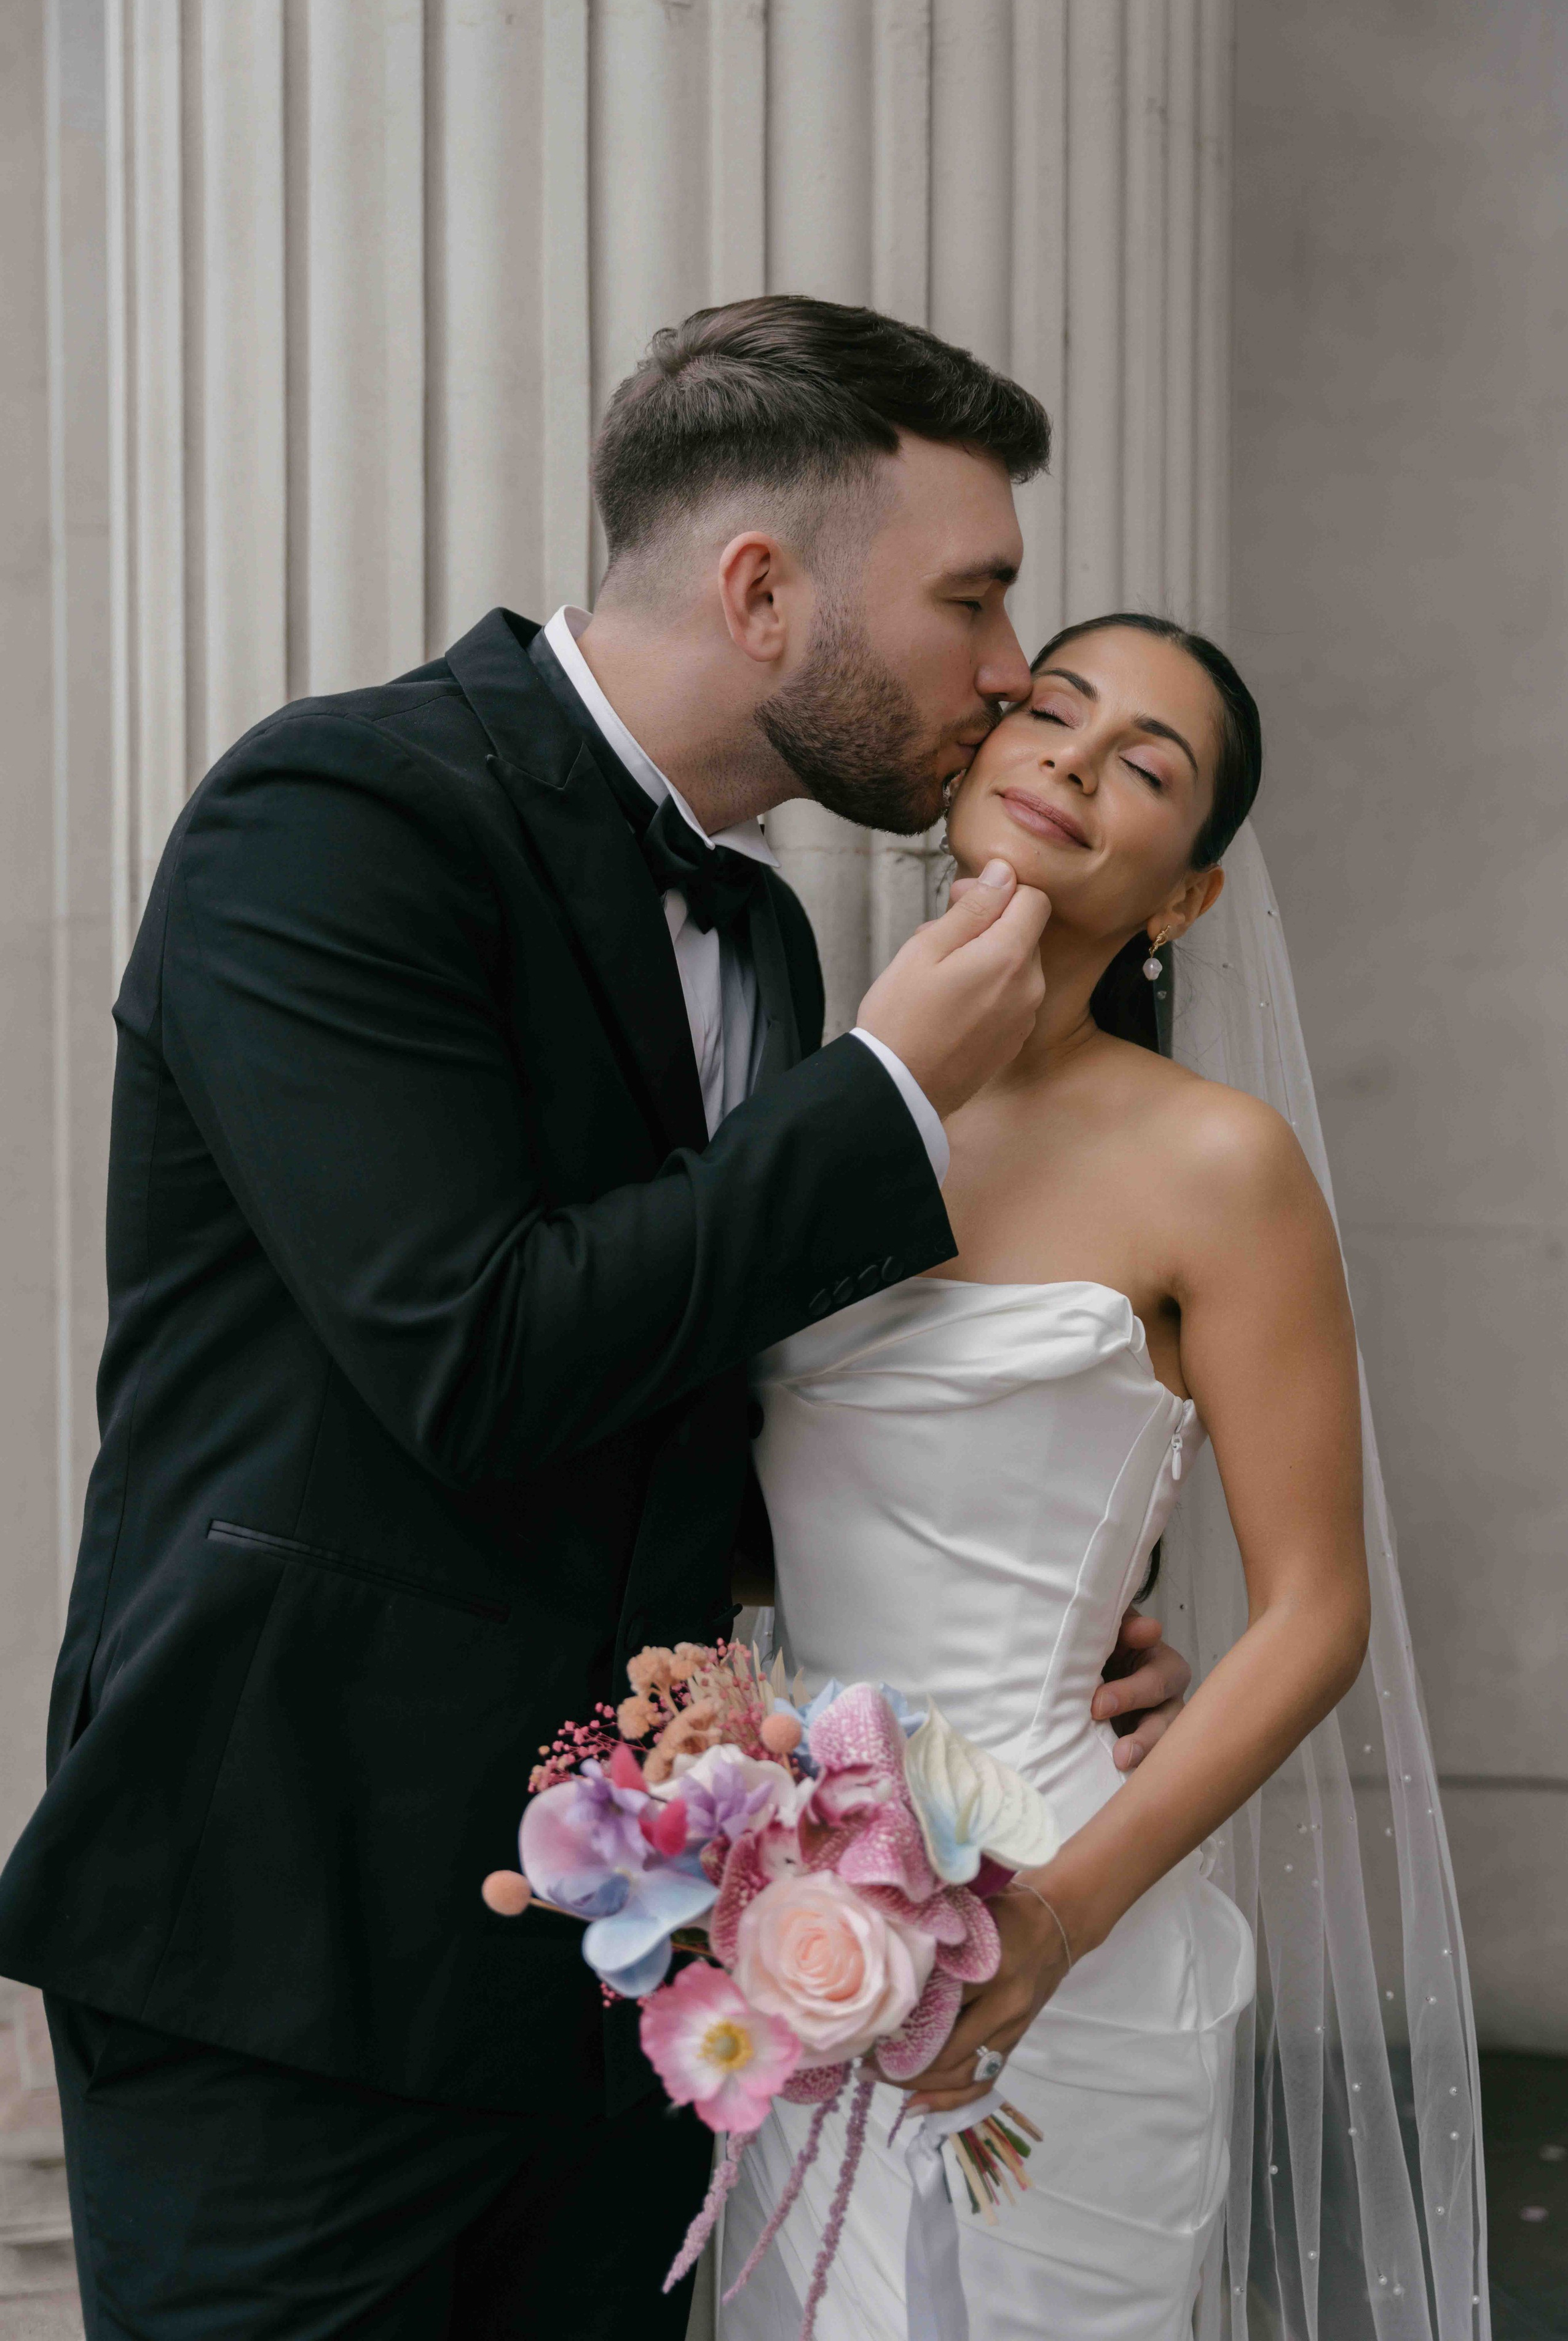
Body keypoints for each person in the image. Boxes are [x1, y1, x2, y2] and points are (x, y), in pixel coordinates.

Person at [0, 302, 1193, 2340]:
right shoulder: (335, 816)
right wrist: (886, 1097)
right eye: (973, 597)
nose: (1008, 668)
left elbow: (671, 1402)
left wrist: (1011, 1596)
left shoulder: (767, 929)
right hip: (286, 1941)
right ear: (762, 591)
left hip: (631, 1976)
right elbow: (473, 1357)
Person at [720, 616, 1491, 2340]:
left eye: (1145, 764)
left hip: (1067, 1895)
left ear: (1186, 898)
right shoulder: (805, 1111)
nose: (1071, 756)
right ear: (971, 760)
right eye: (1051, 711)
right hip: (797, 1908)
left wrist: (1057, 1924)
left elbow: (1317, 1613)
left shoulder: (1218, 1161)